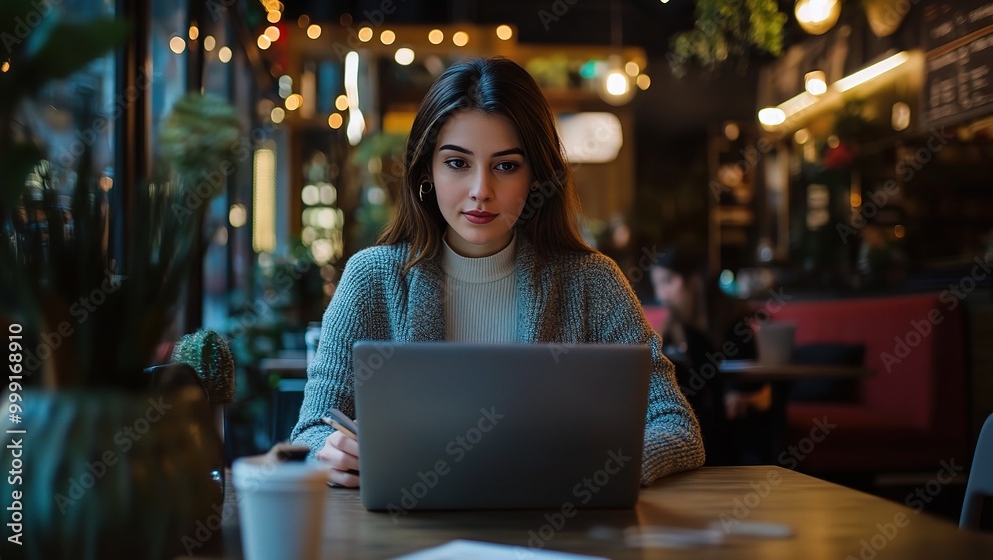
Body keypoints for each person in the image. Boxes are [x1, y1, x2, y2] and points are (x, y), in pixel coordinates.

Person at [289, 57, 704, 486]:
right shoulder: (372, 279)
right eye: (457, 163)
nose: (480, 191)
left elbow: (676, 425)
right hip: (408, 534)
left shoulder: (592, 282)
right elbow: (311, 432)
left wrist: (603, 469)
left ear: (536, 175)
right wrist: (327, 455)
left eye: (506, 166)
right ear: (426, 170)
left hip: (556, 533)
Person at [649, 247, 773, 465]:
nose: (661, 295)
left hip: (735, 421)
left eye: (667, 281)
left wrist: (737, 392)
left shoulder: (734, 323)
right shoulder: (672, 330)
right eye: (657, 285)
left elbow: (753, 380)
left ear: (694, 281)